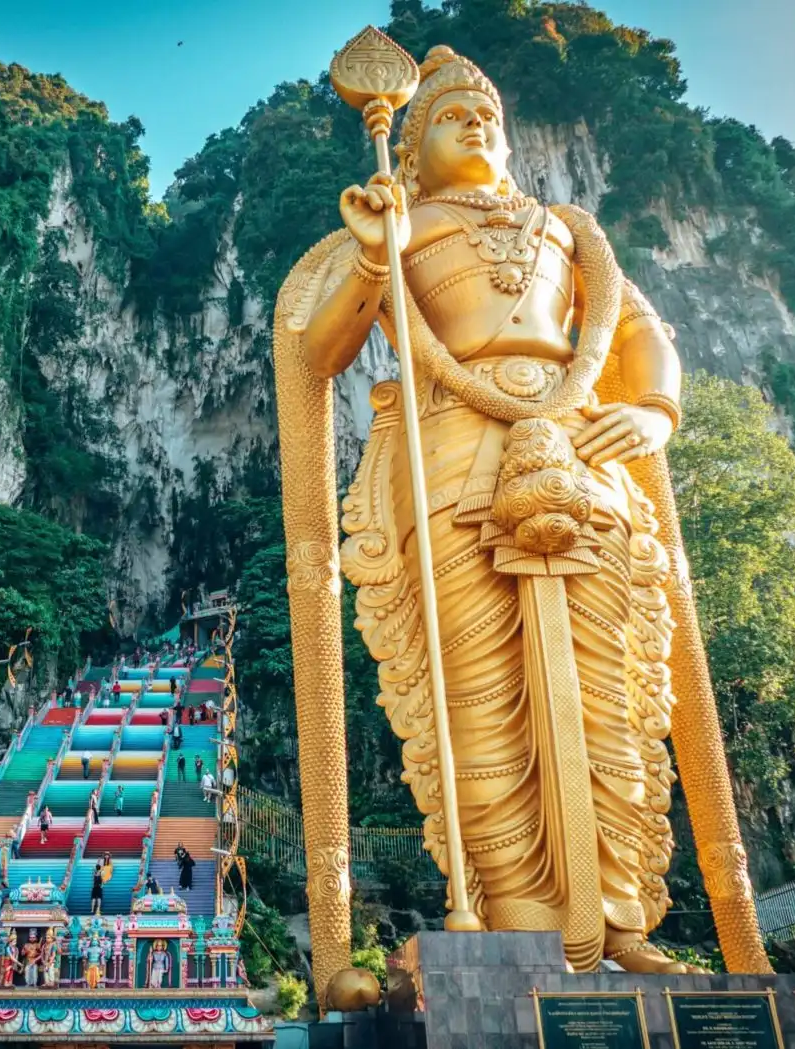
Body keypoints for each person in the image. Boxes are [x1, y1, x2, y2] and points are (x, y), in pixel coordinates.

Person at [279, 44, 706, 975]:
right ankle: (514, 914)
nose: (475, 125)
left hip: (580, 450)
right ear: (413, 145)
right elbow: (318, 352)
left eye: (487, 115)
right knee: (476, 698)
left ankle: (624, 918)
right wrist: (369, 255)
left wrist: (652, 408)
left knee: (612, 693)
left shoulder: (565, 230)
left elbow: (637, 329)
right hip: (450, 458)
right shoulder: (399, 225)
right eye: (449, 116)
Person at [91, 852, 112, 916]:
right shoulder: (101, 873)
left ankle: (92, 909)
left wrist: (98, 861)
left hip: (94, 887)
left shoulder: (94, 873)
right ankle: (98, 908)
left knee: (94, 898)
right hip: (99, 887)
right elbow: (102, 879)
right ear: (100, 868)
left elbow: (95, 867)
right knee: (99, 898)